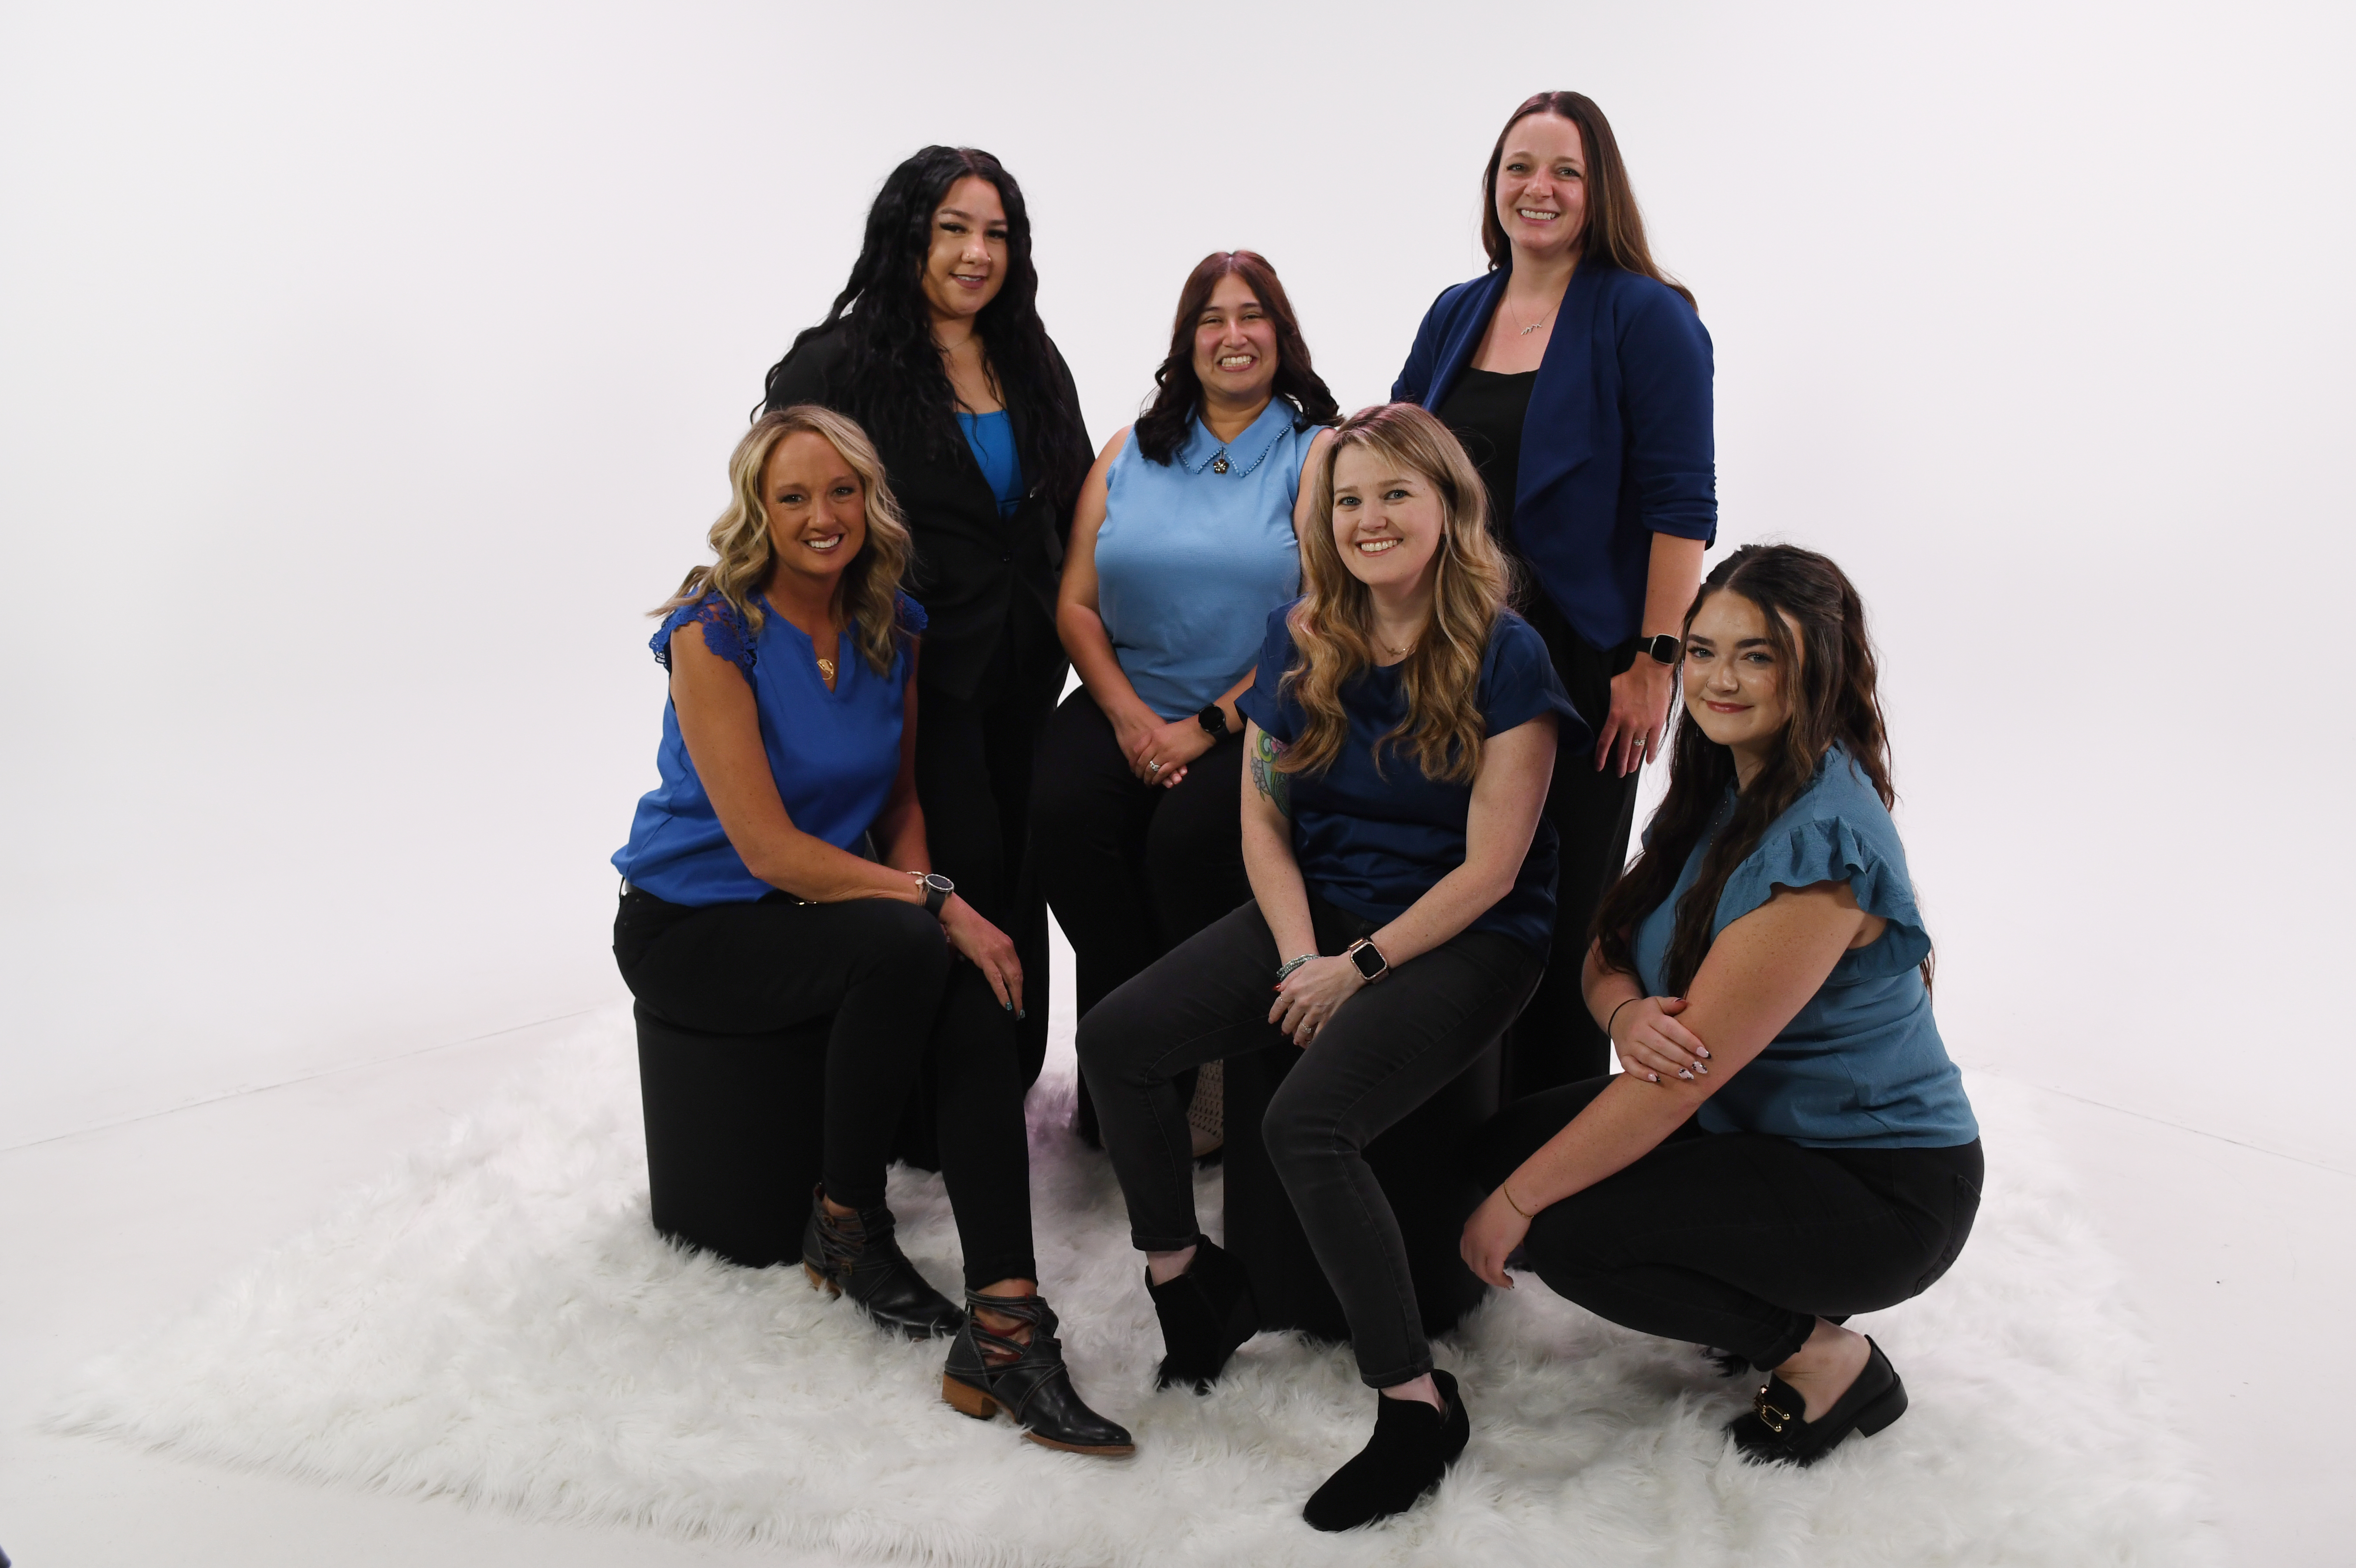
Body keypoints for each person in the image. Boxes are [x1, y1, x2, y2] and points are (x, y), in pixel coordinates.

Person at [1077, 404, 1588, 1531]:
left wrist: (1354, 966)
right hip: (1322, 910)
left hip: (1467, 936)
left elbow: (1495, 871)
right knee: (1118, 1039)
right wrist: (1303, 948)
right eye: (1349, 499)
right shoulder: (1301, 631)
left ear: (1449, 509)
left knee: (1302, 1124)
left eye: (1396, 494)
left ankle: (1415, 1402)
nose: (1369, 518)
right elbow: (1265, 825)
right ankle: (1187, 1284)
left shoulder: (1508, 651)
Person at [612, 406, 1130, 1456]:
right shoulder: (715, 631)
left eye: (839, 491)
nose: (820, 515)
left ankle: (1005, 1324)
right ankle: (846, 1225)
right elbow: (765, 848)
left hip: (823, 909)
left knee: (971, 981)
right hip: (693, 926)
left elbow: (897, 813)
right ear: (756, 509)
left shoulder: (889, 621)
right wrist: (937, 903)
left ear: (868, 501)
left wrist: (936, 900)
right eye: (792, 496)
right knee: (914, 942)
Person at [1459, 544, 1982, 1470]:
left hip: (1881, 1187)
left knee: (1561, 1231)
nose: (1718, 679)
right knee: (1493, 1156)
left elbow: (1673, 1084)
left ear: (1817, 666)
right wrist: (1622, 1018)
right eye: (1701, 650)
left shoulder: (1821, 843)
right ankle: (1743, 1274)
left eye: (1757, 655)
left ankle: (1829, 1360)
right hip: (1750, 1132)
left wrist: (1514, 1203)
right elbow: (1605, 949)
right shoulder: (1722, 782)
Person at [1393, 90, 1717, 1099]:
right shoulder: (1458, 310)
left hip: (1586, 664)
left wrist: (1655, 664)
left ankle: (1535, 1140)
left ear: (1598, 190)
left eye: (1564, 171)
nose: (1538, 189)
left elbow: (1682, 508)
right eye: (1518, 168)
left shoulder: (1645, 316)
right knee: (1453, 890)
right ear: (1494, 188)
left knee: (1563, 901)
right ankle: (1444, 1122)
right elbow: (1396, 454)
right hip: (1453, 654)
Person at [760, 145, 1093, 1091]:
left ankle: (1007, 1074)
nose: (975, 253)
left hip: (1026, 664)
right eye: (952, 229)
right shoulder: (836, 366)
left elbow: (1067, 505)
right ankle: (932, 1101)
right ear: (908, 236)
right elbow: (785, 519)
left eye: (995, 233)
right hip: (908, 673)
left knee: (1024, 859)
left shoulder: (1028, 356)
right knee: (953, 865)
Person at [1032, 250, 1337, 1146]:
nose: (1232, 335)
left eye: (1252, 317)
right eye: (1212, 318)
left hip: (1257, 711)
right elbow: (1076, 605)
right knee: (1058, 810)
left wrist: (1205, 728)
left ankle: (1205, 1069)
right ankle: (1135, 1041)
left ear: (1281, 336)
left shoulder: (1314, 451)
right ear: (1186, 341)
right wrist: (1131, 718)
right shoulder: (1131, 450)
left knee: (1185, 842)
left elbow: (1319, 615)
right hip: (1132, 696)